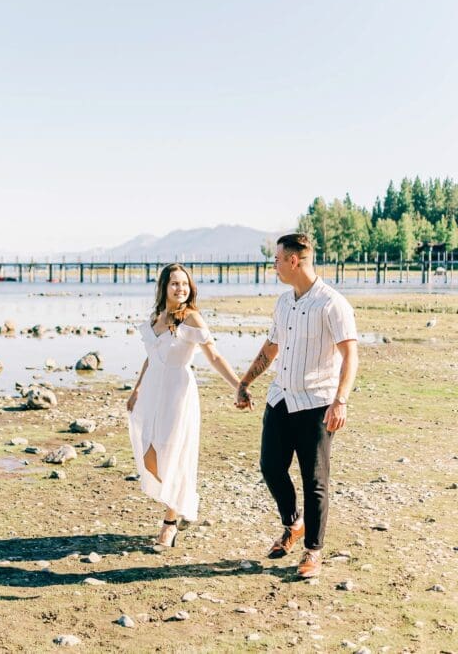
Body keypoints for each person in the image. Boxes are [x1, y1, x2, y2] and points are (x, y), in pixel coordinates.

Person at [235, 233, 358, 579]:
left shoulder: (332, 304)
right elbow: (271, 346)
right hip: (280, 398)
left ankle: (313, 551)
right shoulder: (283, 303)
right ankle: (294, 524)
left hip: (317, 404)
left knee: (314, 481)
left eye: (276, 259)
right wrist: (246, 382)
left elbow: (351, 355)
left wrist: (341, 400)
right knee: (271, 467)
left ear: (294, 261)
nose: (273, 265)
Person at [126, 263, 240, 550]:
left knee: (173, 452)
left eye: (185, 284)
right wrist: (137, 388)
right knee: (148, 452)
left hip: (178, 391)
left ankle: (170, 520)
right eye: (175, 283)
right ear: (164, 287)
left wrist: (239, 385)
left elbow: (214, 357)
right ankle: (182, 498)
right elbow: (151, 357)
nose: (180, 289)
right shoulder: (157, 318)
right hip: (152, 390)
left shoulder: (192, 319)